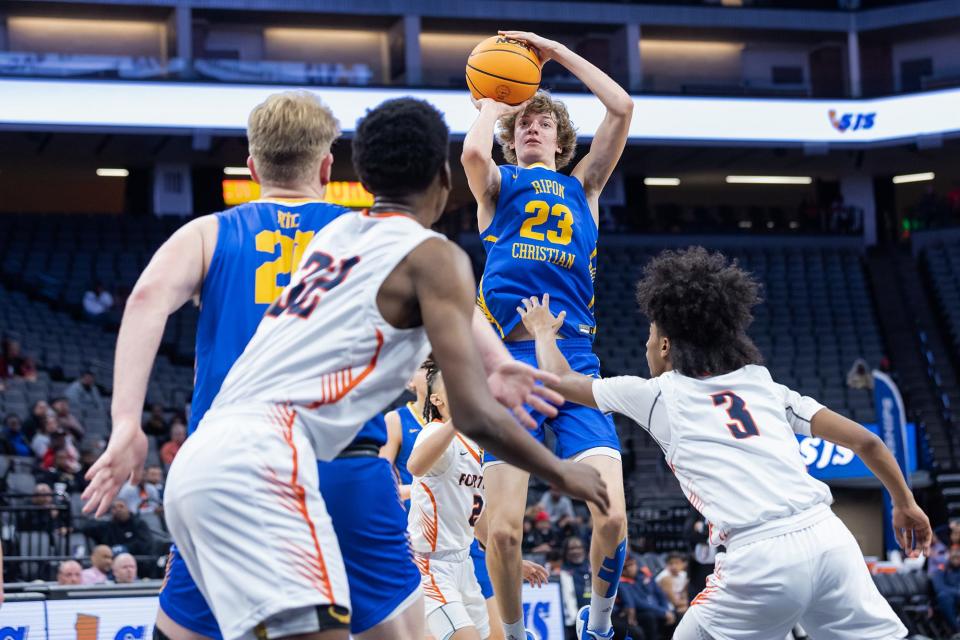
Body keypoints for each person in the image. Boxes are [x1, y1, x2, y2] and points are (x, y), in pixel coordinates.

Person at [88, 96, 608, 640]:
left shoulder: (335, 239)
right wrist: (562, 471)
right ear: (442, 180)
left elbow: (147, 296)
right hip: (283, 466)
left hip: (206, 456)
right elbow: (474, 410)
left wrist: (500, 362)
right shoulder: (414, 251)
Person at [517, 247, 933, 640]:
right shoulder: (763, 383)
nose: (646, 345)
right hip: (830, 540)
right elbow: (869, 442)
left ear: (664, 345)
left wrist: (542, 332)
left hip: (759, 558)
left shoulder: (657, 394)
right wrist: (906, 503)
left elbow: (561, 382)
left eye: (649, 337)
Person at [81, 91, 359, 640]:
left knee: (188, 628)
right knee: (385, 625)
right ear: (327, 166)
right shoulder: (368, 233)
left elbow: (144, 303)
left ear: (253, 167)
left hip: (234, 464)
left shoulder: (209, 232)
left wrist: (124, 425)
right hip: (340, 460)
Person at [461, 29, 633, 640]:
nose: (532, 128)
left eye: (543, 122)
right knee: (504, 533)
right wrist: (492, 105)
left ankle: (599, 623)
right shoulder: (499, 185)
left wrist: (552, 52)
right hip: (507, 360)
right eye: (523, 123)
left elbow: (621, 107)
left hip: (575, 359)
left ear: (562, 140)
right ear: (511, 135)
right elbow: (473, 159)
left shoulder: (583, 189)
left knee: (611, 516)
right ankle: (506, 632)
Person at [407, 364, 548, 640]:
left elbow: (478, 520)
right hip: (430, 565)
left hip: (464, 564)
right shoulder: (435, 433)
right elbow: (414, 465)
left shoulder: (478, 447)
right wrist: (457, 420)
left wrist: (515, 563)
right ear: (437, 400)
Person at [380, 359, 431, 507]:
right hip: (411, 522)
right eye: (425, 367)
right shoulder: (395, 420)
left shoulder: (459, 421)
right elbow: (383, 483)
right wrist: (431, 489)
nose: (433, 373)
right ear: (410, 380)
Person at [79, 500, 154, 557]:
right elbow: (86, 528)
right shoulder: (107, 526)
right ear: (111, 511)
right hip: (112, 561)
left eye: (121, 506)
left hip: (137, 559)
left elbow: (145, 543)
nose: (118, 509)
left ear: (128, 509)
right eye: (114, 508)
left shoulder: (139, 524)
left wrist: (126, 548)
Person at [933, 547, 960, 633]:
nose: (956, 560)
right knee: (944, 596)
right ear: (949, 557)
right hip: (949, 597)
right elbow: (939, 587)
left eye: (958, 557)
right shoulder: (941, 569)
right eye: (953, 557)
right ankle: (957, 629)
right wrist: (957, 592)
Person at [655, 552, 689, 616]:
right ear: (666, 565)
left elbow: (685, 595)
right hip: (665, 607)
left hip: (680, 605)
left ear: (683, 564)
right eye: (671, 563)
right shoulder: (665, 577)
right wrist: (690, 603)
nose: (674, 566)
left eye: (677, 563)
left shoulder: (684, 575)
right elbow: (675, 602)